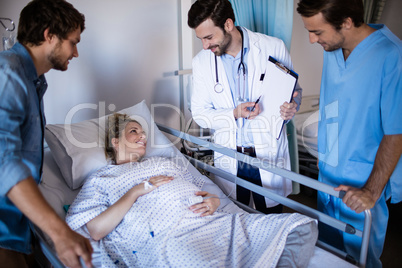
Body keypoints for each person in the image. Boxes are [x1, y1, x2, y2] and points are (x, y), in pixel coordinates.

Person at [66, 113, 318, 267]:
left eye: (143, 132)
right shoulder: (102, 178)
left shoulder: (163, 163)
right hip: (170, 238)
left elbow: (206, 190)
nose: (143, 137)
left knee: (301, 226)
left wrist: (215, 202)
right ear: (115, 141)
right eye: (134, 132)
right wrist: (136, 191)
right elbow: (95, 231)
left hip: (214, 223)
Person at [296, 0, 402, 267]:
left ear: (346, 22)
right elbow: (332, 104)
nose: (311, 40)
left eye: (317, 32)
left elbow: (396, 132)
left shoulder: (392, 57)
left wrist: (371, 190)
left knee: (359, 257)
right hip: (329, 171)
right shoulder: (332, 49)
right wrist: (325, 151)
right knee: (325, 250)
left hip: (363, 180)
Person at [0, 0, 93, 267]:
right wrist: (60, 232)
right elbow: (4, 161)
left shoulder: (34, 81)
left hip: (16, 223)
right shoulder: (8, 73)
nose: (75, 53)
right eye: (72, 42)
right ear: (49, 35)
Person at [187, 0, 302, 214]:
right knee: (234, 220)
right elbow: (200, 114)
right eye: (200, 38)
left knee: (271, 218)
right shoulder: (201, 62)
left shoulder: (273, 47)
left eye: (209, 37)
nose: (204, 46)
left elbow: (294, 91)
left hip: (267, 152)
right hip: (231, 155)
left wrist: (291, 107)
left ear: (228, 25)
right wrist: (234, 113)